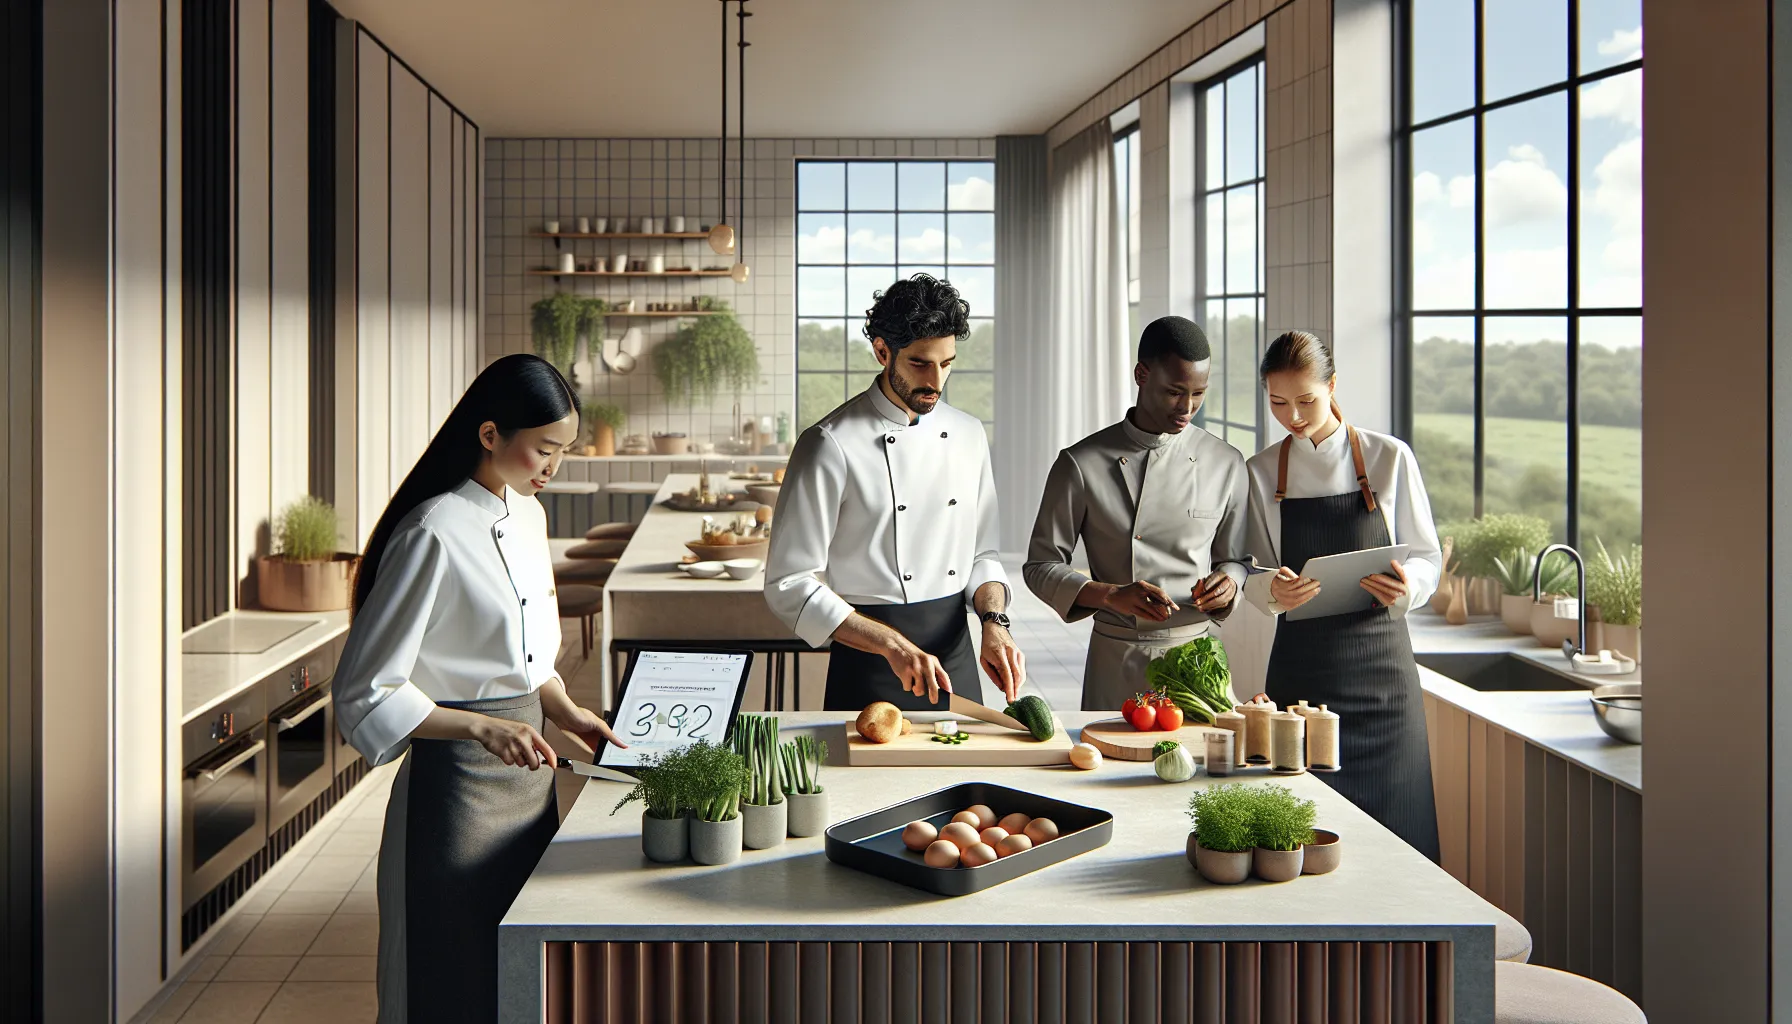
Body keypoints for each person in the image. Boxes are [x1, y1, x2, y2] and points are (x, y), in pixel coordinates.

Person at [332, 354, 628, 1022]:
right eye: (543, 450)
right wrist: (480, 726)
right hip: (456, 793)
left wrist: (563, 707)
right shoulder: (430, 532)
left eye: (563, 452)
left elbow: (521, 657)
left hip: (528, 783)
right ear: (490, 434)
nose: (552, 468)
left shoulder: (528, 517)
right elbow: (364, 690)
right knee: (447, 973)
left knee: (516, 969)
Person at [765, 273, 1026, 710]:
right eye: (920, 363)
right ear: (882, 351)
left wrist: (995, 623)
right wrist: (891, 644)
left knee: (967, 777)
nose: (936, 381)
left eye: (947, 363)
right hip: (872, 663)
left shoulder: (968, 434)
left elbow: (983, 556)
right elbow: (789, 583)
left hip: (955, 657)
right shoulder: (829, 444)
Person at [1241, 330, 1443, 860]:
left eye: (1306, 400)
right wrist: (1273, 588)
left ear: (1332, 386)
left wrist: (1407, 587)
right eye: (1278, 403)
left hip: (1384, 685)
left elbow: (1428, 557)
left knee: (1401, 832)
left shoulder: (1388, 457)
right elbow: (1249, 571)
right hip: (1301, 680)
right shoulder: (1261, 472)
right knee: (1298, 833)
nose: (1294, 417)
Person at [1023, 316, 1250, 710]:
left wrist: (1230, 581)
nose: (1188, 408)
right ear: (1141, 374)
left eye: (1199, 393)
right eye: (1174, 392)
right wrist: (1110, 595)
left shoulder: (1226, 462)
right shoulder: (1081, 464)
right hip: (1119, 660)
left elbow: (1238, 559)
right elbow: (1040, 566)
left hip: (1201, 662)